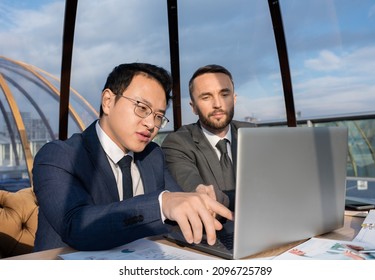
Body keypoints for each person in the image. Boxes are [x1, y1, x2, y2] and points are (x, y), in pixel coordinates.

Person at [32, 63, 232, 252]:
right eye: (142, 108)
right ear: (108, 101)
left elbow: (177, 206)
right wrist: (161, 204)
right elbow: (76, 226)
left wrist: (199, 204)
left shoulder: (153, 155)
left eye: (158, 116)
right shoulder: (59, 155)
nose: (151, 124)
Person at [161, 64, 255, 211]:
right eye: (206, 97)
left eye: (224, 95)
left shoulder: (253, 134)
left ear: (234, 99)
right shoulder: (177, 143)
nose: (218, 104)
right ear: (193, 107)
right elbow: (197, 193)